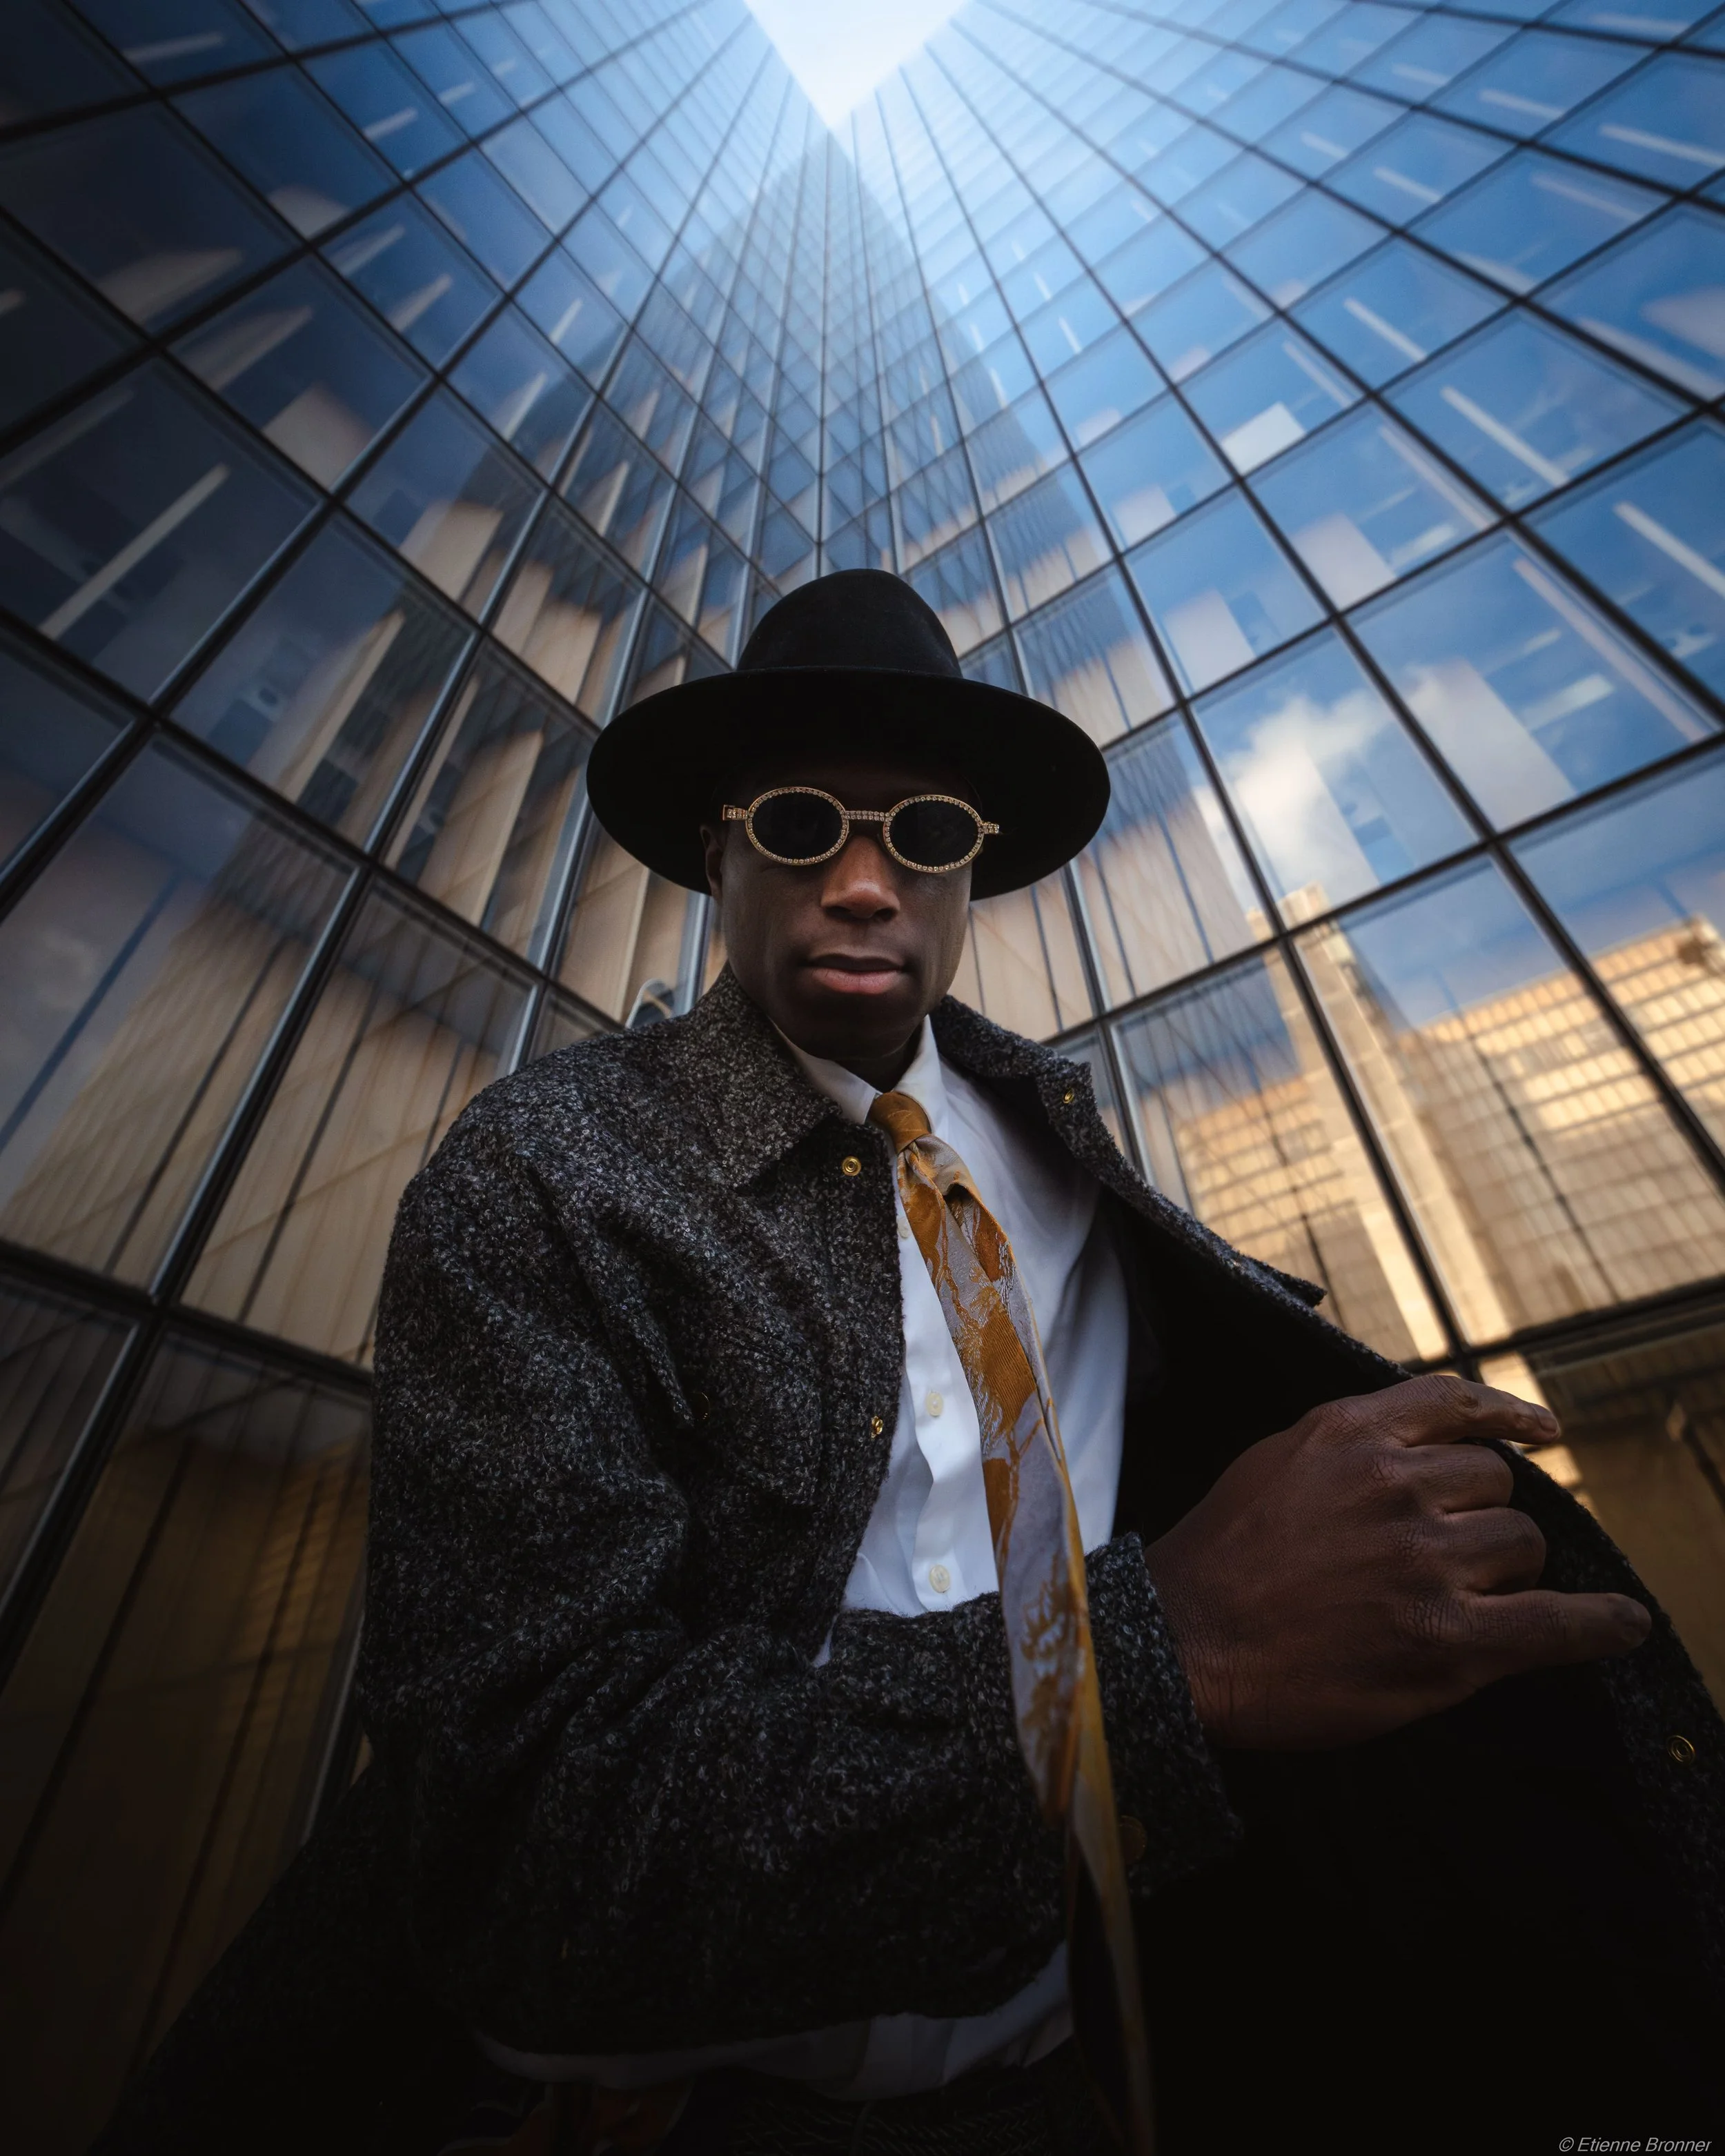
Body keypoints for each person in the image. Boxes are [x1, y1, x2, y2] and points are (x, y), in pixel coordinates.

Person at [98, 573, 1724, 2156]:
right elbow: (530, 1847)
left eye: (924, 832)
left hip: (1096, 2073)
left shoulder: (1071, 1166)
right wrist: (1153, 1654)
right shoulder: (545, 1174)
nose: (865, 880)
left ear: (971, 869)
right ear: (718, 855)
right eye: (801, 824)